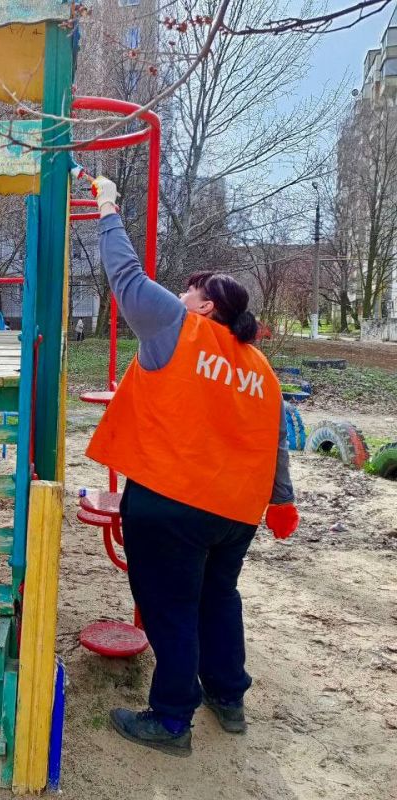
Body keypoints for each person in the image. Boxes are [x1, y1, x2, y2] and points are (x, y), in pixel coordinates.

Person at [85, 177, 299, 757]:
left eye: (189, 289)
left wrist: (108, 209)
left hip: (171, 501)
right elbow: (274, 439)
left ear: (208, 307)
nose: (179, 294)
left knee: (170, 606)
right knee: (218, 598)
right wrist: (282, 501)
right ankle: (227, 698)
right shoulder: (260, 367)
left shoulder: (179, 330)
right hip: (235, 512)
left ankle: (171, 719)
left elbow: (125, 278)